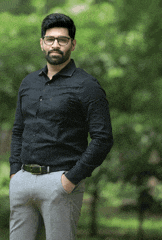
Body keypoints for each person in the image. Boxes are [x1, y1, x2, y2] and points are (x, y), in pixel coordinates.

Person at [9, 13, 113, 240]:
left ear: (72, 44)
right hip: (23, 180)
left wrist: (71, 179)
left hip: (60, 183)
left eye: (62, 40)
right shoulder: (28, 83)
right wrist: (14, 172)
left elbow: (103, 138)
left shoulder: (87, 86)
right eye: (50, 39)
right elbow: (18, 129)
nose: (55, 44)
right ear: (41, 43)